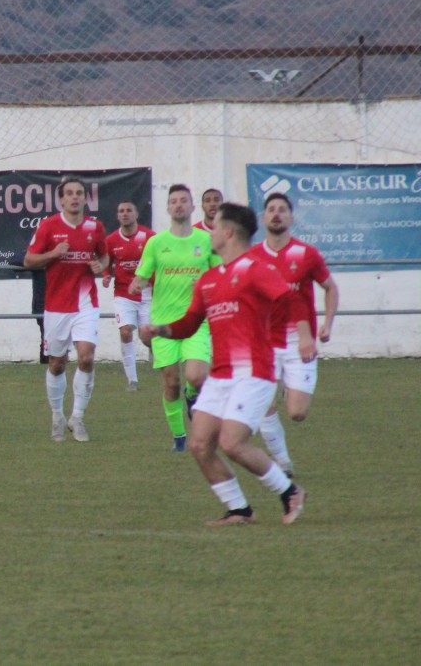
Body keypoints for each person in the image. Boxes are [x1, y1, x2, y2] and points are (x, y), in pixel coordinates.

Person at [140, 202, 309, 526]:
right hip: (220, 375)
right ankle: (239, 510)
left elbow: (291, 300)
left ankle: (289, 492)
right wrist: (160, 329)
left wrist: (302, 337)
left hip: (254, 372)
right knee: (200, 444)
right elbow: (190, 323)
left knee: (232, 443)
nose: (209, 231)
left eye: (214, 226)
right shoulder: (208, 280)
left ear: (228, 232)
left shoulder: (255, 268)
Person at [248, 192, 339, 477]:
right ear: (264, 218)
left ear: (291, 217)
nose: (276, 214)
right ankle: (283, 462)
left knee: (297, 413)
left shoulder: (306, 254)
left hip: (301, 342)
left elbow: (331, 288)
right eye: (271, 209)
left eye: (282, 210)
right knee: (263, 403)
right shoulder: (252, 257)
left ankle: (289, 385)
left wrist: (327, 324)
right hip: (264, 343)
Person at [131, 185, 219, 452]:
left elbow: (219, 275)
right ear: (168, 208)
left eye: (184, 201)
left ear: (193, 207)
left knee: (197, 377)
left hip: (196, 321)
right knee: (171, 382)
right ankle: (179, 437)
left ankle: (192, 398)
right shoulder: (156, 243)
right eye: (173, 201)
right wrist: (137, 283)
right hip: (163, 324)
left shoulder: (206, 241)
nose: (179, 205)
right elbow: (142, 274)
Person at [23, 175, 107, 442]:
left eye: (79, 193)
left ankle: (78, 417)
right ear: (61, 199)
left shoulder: (95, 227)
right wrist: (53, 254)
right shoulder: (49, 226)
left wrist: (100, 265)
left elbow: (103, 256)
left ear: (85, 197)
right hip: (57, 305)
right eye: (69, 193)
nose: (74, 197)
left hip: (86, 302)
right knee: (57, 364)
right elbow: (29, 260)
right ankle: (57, 416)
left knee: (86, 357)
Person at [101, 200, 154, 390]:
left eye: (129, 210)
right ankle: (132, 380)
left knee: (147, 336)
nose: (125, 214)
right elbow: (106, 261)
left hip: (147, 293)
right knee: (125, 331)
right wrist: (106, 275)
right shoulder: (112, 240)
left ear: (136, 214)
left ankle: (164, 360)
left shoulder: (149, 237)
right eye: (121, 211)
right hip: (123, 293)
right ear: (117, 216)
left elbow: (158, 261)